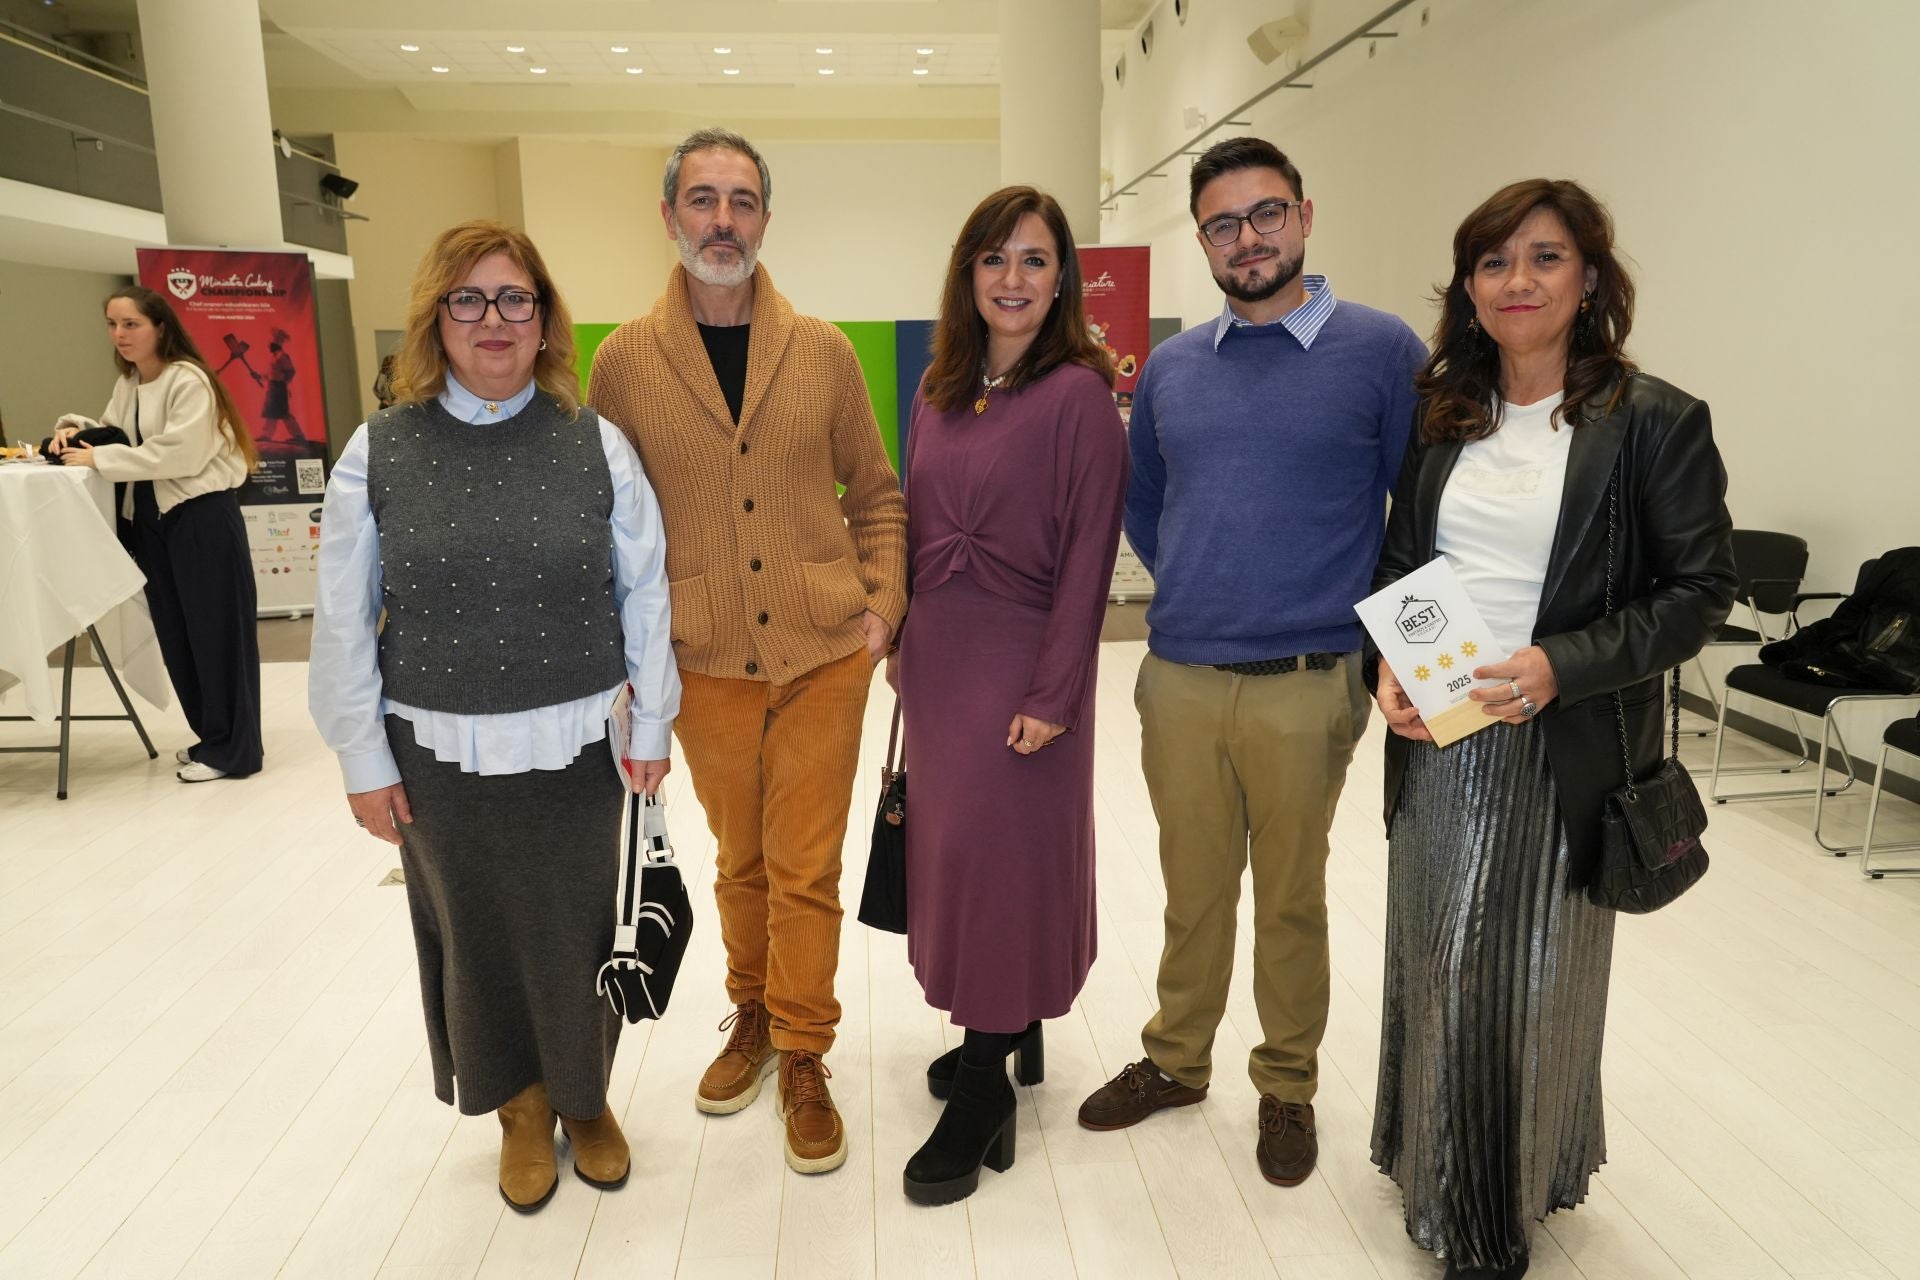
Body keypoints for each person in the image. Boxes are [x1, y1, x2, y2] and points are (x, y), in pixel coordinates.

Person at [1367, 180, 1735, 1279]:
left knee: (1523, 973)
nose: (1517, 281)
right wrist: (1387, 669)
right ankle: (1434, 1161)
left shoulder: (1653, 419)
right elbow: (1403, 563)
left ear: (1589, 279)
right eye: (1494, 262)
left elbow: (1701, 589)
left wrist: (1556, 664)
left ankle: (1492, 1214)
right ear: (1468, 290)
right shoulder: (1446, 414)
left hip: (1560, 743)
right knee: (1436, 959)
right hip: (1439, 731)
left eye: (1545, 257)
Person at [1076, 137, 1427, 1190]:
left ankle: (1286, 1082)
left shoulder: (1381, 349)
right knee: (1192, 890)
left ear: (1305, 216)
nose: (1248, 239)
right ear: (1203, 241)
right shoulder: (1178, 367)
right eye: (1224, 224)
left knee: (1289, 894)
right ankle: (1179, 1061)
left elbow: (1423, 505)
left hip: (1310, 679)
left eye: (1266, 214)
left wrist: (1388, 653)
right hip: (1181, 672)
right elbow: (1147, 500)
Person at [308, 220, 679, 1214]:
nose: (494, 319)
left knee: (579, 925)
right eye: (468, 299)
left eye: (517, 298)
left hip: (578, 742)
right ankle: (518, 1105)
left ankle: (585, 1096)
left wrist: (652, 726)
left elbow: (644, 591)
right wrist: (360, 755)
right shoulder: (377, 451)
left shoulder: (595, 440)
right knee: (473, 933)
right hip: (438, 745)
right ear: (436, 318)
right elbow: (343, 613)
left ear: (546, 317)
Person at [588, 128, 907, 1176]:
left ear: (765, 218)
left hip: (825, 651)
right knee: (742, 860)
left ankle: (806, 1047)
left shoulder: (822, 350)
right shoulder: (625, 361)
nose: (722, 220)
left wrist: (881, 608)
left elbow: (880, 493)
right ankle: (754, 1014)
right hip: (701, 657)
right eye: (702, 199)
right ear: (670, 215)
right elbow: (608, 517)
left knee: (807, 862)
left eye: (741, 201)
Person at [893, 186, 1128, 1206]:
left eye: (1035, 260)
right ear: (967, 274)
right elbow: (907, 518)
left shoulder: (1079, 390)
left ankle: (985, 1084)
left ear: (1062, 277)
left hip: (1027, 668)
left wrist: (1058, 688)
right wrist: (898, 638)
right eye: (994, 259)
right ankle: (1006, 1024)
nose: (1014, 279)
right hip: (939, 663)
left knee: (1000, 860)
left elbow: (1090, 551)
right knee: (954, 857)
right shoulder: (939, 389)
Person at [49, 285, 263, 783]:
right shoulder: (131, 384)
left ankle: (236, 752)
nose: (119, 335)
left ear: (161, 328)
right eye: (112, 324)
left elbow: (180, 454)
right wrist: (72, 429)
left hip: (200, 519)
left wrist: (100, 457)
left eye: (131, 324)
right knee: (179, 636)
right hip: (154, 524)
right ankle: (214, 738)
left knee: (217, 636)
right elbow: (118, 433)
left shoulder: (187, 380)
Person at [258, 328, 304, 444]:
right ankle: (266, 435)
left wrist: (284, 383)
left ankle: (298, 435)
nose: (269, 346)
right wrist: (259, 377)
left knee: (283, 412)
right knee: (271, 411)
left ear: (275, 345)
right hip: (273, 387)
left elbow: (291, 371)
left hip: (279, 388)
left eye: (271, 344)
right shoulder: (273, 357)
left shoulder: (282, 356)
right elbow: (270, 374)